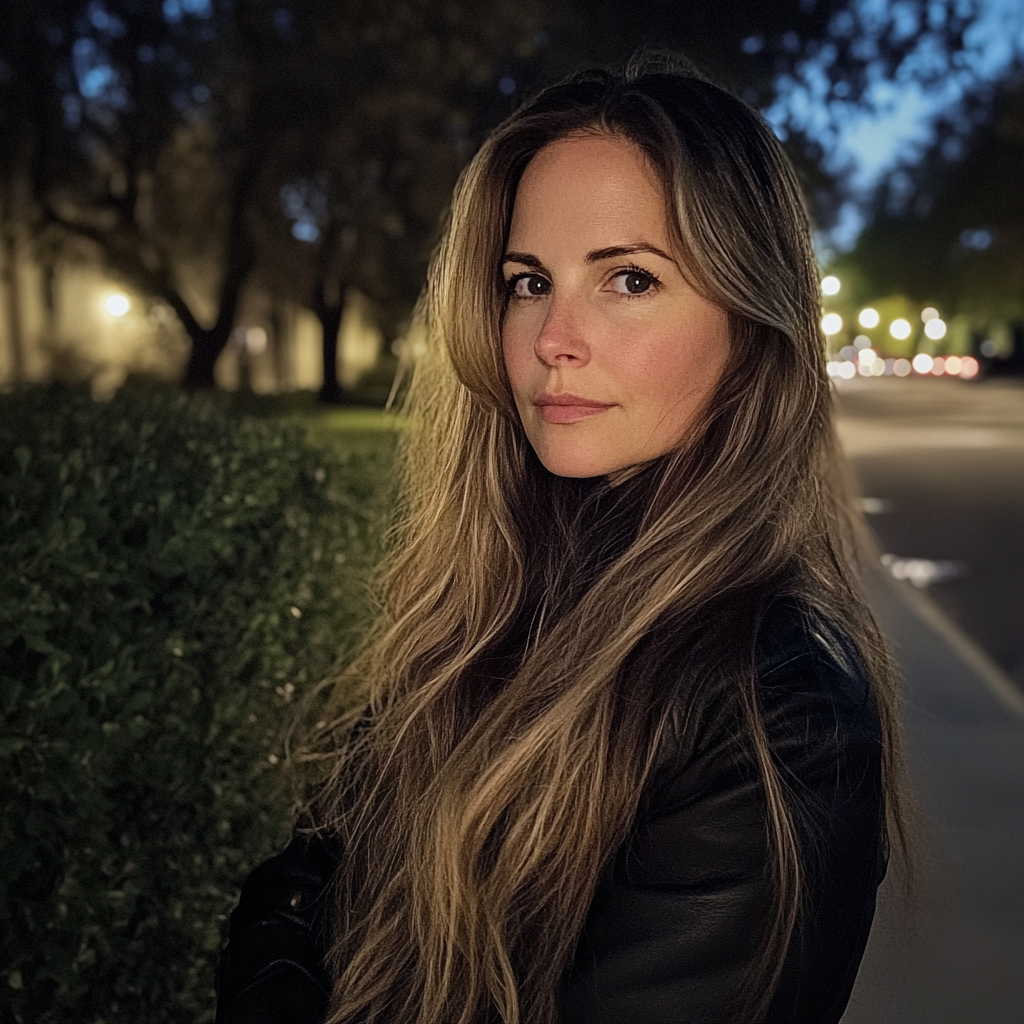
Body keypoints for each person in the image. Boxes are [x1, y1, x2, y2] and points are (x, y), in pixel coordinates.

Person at [215, 55, 910, 1024]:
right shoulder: (493, 596)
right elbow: (305, 883)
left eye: (628, 278)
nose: (553, 336)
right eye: (527, 280)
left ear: (752, 326)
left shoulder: (772, 714)